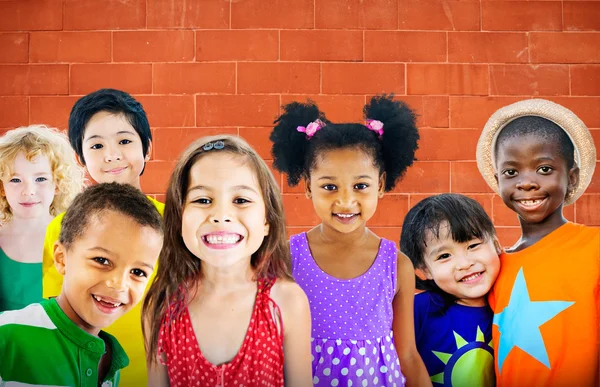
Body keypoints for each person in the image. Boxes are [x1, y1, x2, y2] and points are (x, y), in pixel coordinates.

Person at [270, 95, 430, 387]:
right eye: (329, 187)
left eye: (361, 186)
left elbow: (407, 353)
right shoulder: (287, 257)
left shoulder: (396, 265)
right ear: (307, 186)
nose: (345, 201)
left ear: (380, 185)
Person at [143, 135, 312, 387]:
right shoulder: (162, 303)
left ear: (267, 221)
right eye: (202, 200)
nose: (221, 216)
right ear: (178, 220)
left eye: (241, 200)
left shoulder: (287, 301)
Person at [41, 88, 163, 385]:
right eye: (96, 146)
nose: (112, 155)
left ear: (147, 148)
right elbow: (55, 315)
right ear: (80, 158)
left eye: (124, 140)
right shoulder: (61, 228)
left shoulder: (175, 222)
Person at [476, 99, 599, 386]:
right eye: (511, 172)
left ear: (572, 177)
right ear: (498, 180)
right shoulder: (494, 265)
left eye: (544, 169)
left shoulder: (594, 248)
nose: (526, 183)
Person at [0, 182, 163, 386]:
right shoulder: (6, 335)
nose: (119, 284)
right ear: (61, 259)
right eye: (102, 260)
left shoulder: (113, 361)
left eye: (138, 272)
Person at [401, 193, 500, 387]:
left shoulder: (512, 300)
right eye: (444, 256)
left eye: (473, 245)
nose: (464, 264)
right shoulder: (417, 311)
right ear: (425, 270)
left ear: (496, 244)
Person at [0, 125, 83, 312]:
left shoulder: (76, 240)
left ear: (58, 183)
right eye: (15, 180)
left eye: (40, 179)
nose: (28, 191)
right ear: (2, 187)